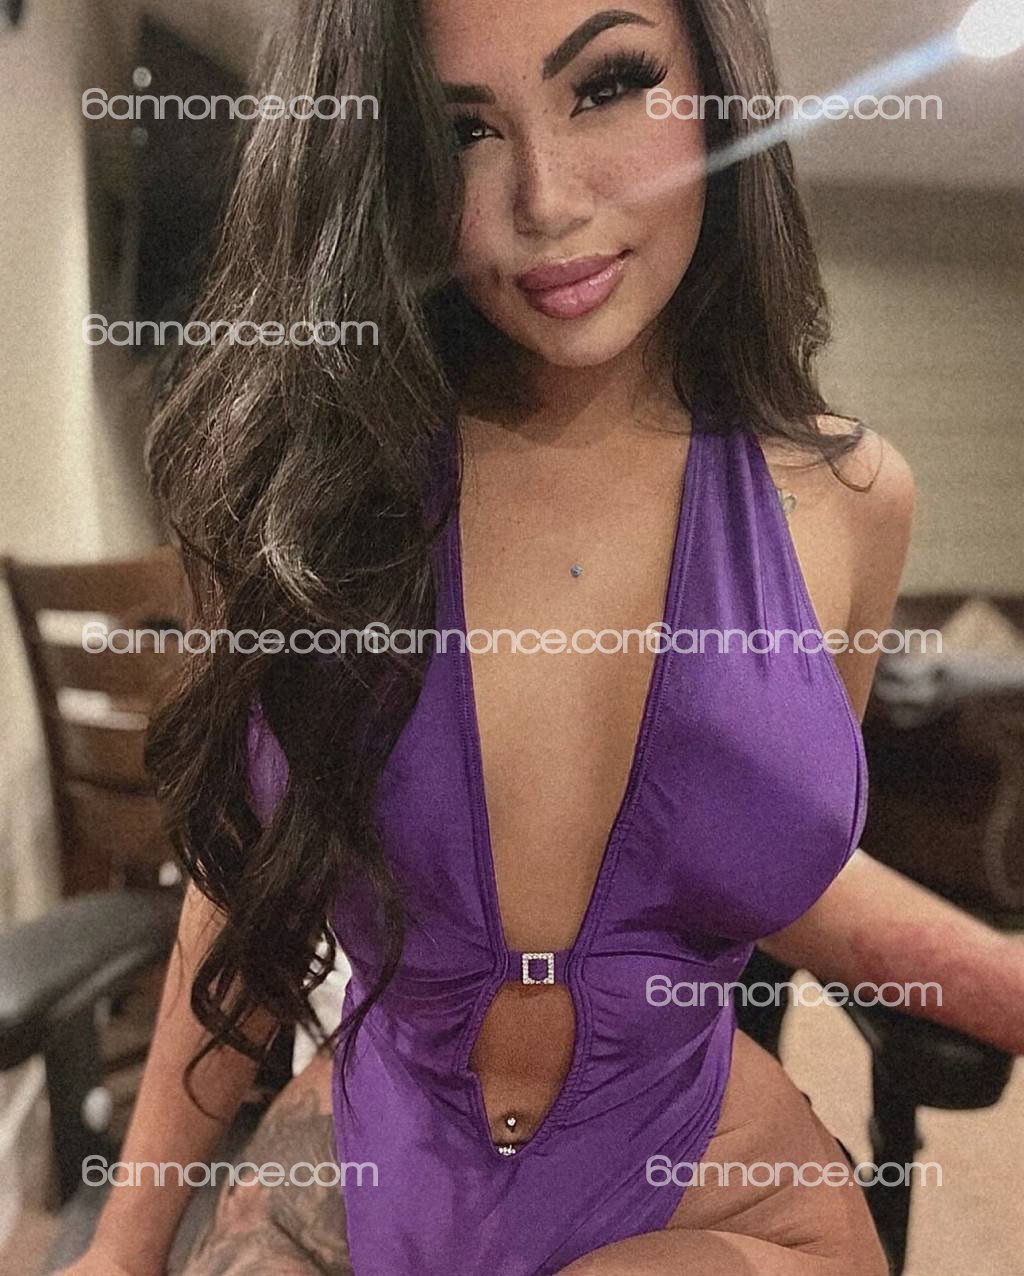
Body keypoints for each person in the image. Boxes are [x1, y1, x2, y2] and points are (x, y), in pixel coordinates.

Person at [62, 0, 937, 1271]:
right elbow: (248, 880)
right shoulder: (311, 498)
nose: (545, 200)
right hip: (389, 1166)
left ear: (716, 85)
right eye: (459, 130)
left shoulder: (854, 501)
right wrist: (124, 1242)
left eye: (608, 86)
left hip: (717, 1194)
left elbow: (773, 835)